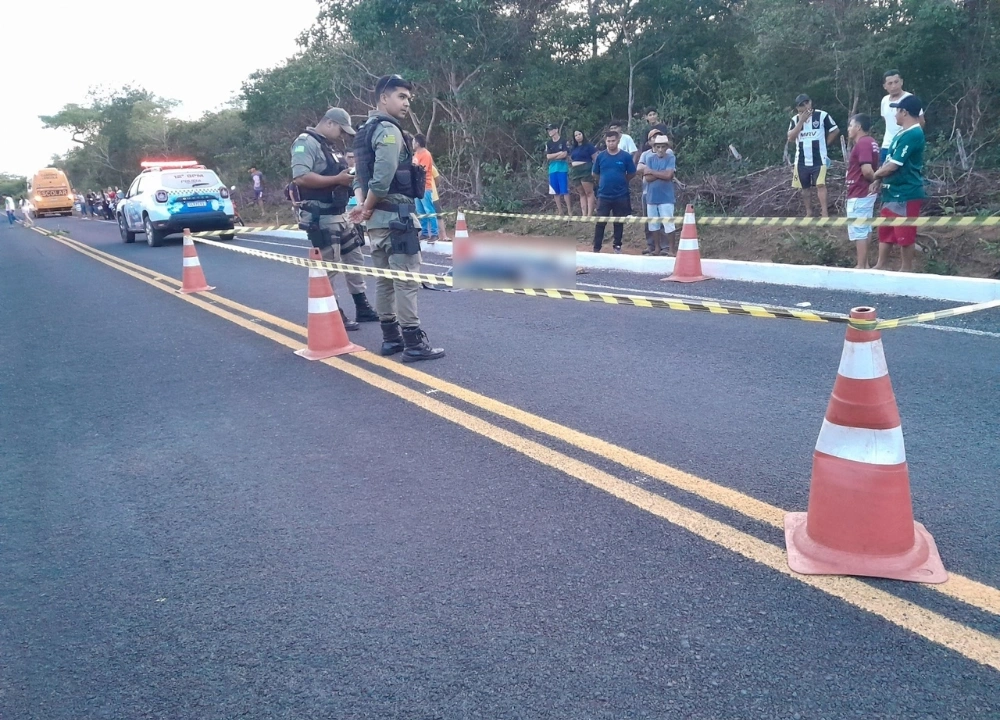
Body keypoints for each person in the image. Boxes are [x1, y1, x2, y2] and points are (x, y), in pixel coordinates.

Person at [350, 74, 444, 362]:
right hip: (396, 220)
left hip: (378, 223)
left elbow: (359, 176)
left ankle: (391, 338)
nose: (406, 103)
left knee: (384, 281)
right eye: (401, 97)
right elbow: (382, 178)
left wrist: (364, 206)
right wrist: (367, 205)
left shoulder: (364, 131)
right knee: (406, 281)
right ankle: (413, 343)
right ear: (384, 98)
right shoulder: (388, 130)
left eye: (408, 98)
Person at [290, 107, 380, 330]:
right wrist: (336, 180)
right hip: (321, 216)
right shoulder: (305, 143)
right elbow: (301, 177)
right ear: (329, 123)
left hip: (340, 214)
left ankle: (362, 306)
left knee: (355, 260)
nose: (341, 135)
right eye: (340, 130)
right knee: (330, 266)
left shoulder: (327, 145)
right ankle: (333, 310)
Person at [871, 95, 925, 272]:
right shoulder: (900, 134)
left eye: (897, 110)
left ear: (905, 112)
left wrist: (873, 175)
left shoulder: (914, 134)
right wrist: (879, 179)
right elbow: (888, 161)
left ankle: (905, 269)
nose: (894, 114)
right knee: (885, 231)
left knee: (905, 235)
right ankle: (880, 265)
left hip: (906, 192)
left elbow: (894, 165)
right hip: (891, 191)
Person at [787, 94, 839, 218]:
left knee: (820, 185)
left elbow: (835, 130)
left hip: (819, 158)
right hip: (801, 160)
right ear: (797, 108)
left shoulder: (822, 115)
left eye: (807, 103)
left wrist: (825, 144)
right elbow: (791, 138)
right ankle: (809, 213)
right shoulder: (794, 120)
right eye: (802, 105)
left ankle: (824, 213)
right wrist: (801, 121)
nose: (805, 106)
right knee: (804, 188)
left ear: (810, 102)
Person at [845, 114, 881, 269]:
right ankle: (864, 264)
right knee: (865, 228)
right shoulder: (871, 142)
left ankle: (861, 266)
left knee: (860, 229)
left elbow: (867, 170)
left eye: (851, 125)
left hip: (860, 192)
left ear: (858, 127)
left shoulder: (863, 143)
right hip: (863, 192)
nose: (848, 129)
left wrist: (874, 181)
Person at [591, 129, 636, 254]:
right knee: (600, 222)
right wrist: (604, 181)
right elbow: (595, 173)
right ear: (605, 141)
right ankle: (596, 247)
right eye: (608, 141)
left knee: (618, 222)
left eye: (613, 141)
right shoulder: (601, 156)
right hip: (603, 195)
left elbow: (632, 173)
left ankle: (617, 246)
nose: (611, 143)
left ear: (618, 141)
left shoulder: (625, 156)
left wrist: (622, 180)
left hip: (620, 195)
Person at [637, 134, 677, 256]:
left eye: (663, 147)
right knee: (653, 224)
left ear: (666, 147)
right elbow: (648, 178)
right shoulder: (649, 158)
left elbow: (668, 175)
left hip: (666, 197)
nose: (660, 149)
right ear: (654, 147)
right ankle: (657, 248)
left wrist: (653, 172)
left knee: (668, 223)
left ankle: (671, 249)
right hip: (652, 196)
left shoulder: (670, 158)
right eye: (658, 147)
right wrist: (661, 174)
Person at [880, 70, 925, 164]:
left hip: (904, 144)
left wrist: (910, 140)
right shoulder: (884, 101)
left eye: (896, 82)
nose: (894, 86)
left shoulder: (910, 99)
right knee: (884, 169)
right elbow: (886, 120)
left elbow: (921, 121)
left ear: (901, 82)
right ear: (884, 86)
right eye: (890, 83)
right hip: (887, 145)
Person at [412, 134, 441, 240]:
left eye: (413, 141)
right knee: (420, 211)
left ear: (418, 143)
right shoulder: (416, 154)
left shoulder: (426, 154)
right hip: (416, 187)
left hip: (425, 186)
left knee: (429, 210)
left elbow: (421, 169)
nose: (412, 143)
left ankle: (434, 233)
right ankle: (424, 232)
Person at [568, 130, 598, 216]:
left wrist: (594, 171)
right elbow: (571, 159)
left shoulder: (589, 146)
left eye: (579, 134)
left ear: (583, 134)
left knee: (589, 192)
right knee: (581, 193)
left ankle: (589, 214)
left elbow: (595, 159)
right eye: (576, 135)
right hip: (576, 171)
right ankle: (584, 214)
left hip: (586, 170)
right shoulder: (573, 148)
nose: (578, 136)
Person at [545, 124, 571, 216]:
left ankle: (569, 211)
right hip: (552, 169)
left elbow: (565, 154)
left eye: (551, 129)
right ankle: (560, 211)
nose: (550, 132)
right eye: (548, 130)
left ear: (556, 130)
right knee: (555, 191)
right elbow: (548, 156)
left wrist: (555, 156)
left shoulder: (563, 141)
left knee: (565, 190)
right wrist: (558, 154)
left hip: (562, 167)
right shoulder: (549, 143)